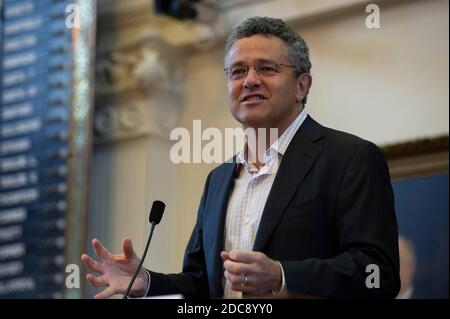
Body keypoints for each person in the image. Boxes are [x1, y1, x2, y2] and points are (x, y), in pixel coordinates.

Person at [82, 16, 400, 299]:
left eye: (266, 68)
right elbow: (201, 283)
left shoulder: (351, 158)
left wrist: (282, 275)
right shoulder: (219, 179)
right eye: (238, 71)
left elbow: (378, 274)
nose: (249, 80)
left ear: (302, 85)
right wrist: (148, 282)